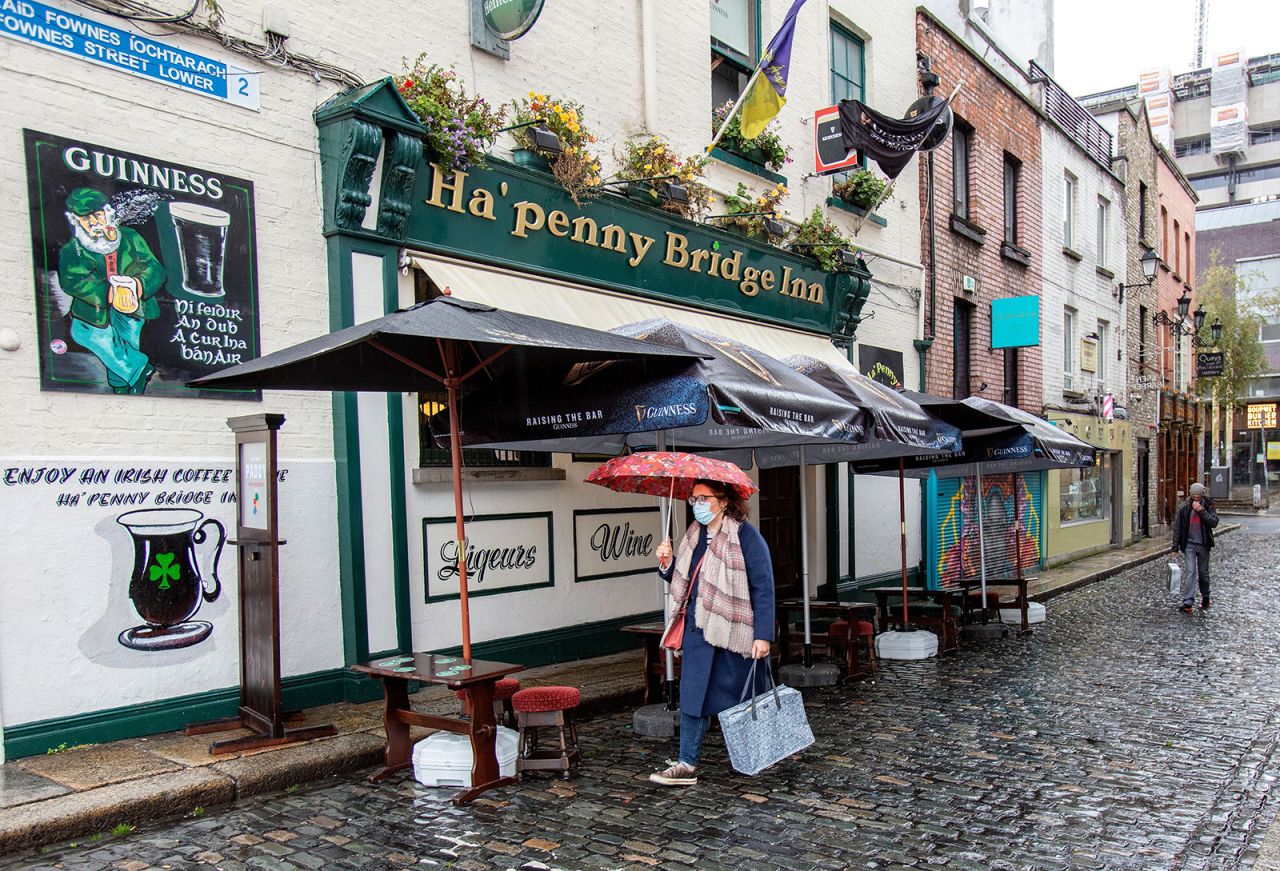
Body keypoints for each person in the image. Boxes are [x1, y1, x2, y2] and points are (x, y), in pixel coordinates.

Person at [649, 478, 775, 787]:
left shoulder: (746, 536)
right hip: (698, 630)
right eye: (694, 499)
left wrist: (763, 634)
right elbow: (688, 579)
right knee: (692, 699)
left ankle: (750, 756)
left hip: (732, 631)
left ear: (723, 501)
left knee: (739, 699)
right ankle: (686, 763)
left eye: (704, 498)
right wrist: (667, 564)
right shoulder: (693, 536)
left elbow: (763, 586)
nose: (698, 505)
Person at [57, 187, 166, 395]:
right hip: (94, 310)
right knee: (82, 333)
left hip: (133, 304)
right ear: (77, 221)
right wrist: (107, 293)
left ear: (106, 213)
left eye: (97, 215)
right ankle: (140, 369)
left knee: (126, 344)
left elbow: (154, 268)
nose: (94, 223)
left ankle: (124, 389)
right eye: (86, 219)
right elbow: (74, 281)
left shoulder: (130, 237)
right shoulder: (73, 249)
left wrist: (136, 286)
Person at [1172, 481, 1219, 614]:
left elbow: (1214, 522)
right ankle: (1188, 601)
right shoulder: (1184, 508)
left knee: (1203, 573)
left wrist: (1201, 510)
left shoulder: (1209, 505)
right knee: (1190, 572)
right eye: (1194, 497)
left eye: (1199, 498)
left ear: (1202, 496)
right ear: (1191, 496)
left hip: (1204, 544)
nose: (1196, 500)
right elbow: (1178, 528)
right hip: (1189, 545)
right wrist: (1175, 548)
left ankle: (1205, 596)